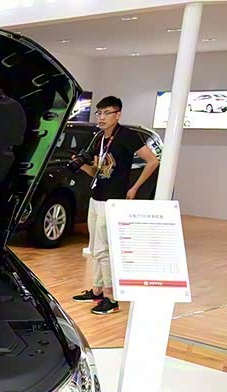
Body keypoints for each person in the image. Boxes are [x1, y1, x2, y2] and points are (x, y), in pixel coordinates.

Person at [72, 96, 160, 315]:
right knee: (95, 247)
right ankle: (97, 290)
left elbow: (153, 160)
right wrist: (82, 166)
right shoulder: (100, 138)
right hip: (97, 196)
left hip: (113, 200)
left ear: (118, 114)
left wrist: (135, 187)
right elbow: (98, 171)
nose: (101, 117)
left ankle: (111, 299)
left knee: (104, 249)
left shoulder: (127, 136)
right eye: (99, 113)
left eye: (106, 113)